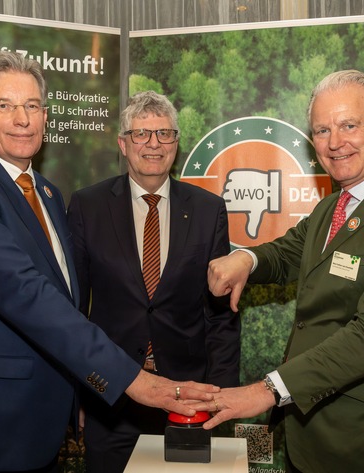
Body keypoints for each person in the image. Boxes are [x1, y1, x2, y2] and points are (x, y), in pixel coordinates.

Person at [0, 52, 218, 473]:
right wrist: (131, 379)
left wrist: (81, 391)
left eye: (32, 105)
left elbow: (70, 303)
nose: (22, 119)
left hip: (41, 427)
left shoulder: (49, 195)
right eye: (4, 105)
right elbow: (26, 294)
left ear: (45, 116)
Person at [196, 70, 364, 472]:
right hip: (309, 438)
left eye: (348, 125)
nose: (335, 143)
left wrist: (267, 390)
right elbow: (288, 252)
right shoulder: (331, 207)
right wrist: (247, 259)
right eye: (322, 130)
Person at [67, 91, 241, 473]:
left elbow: (221, 315)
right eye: (141, 134)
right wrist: (77, 392)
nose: (153, 144)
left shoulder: (208, 210)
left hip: (188, 400)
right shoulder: (87, 206)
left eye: (164, 134)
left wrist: (220, 396)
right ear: (123, 144)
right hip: (111, 396)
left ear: (176, 144)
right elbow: (73, 311)